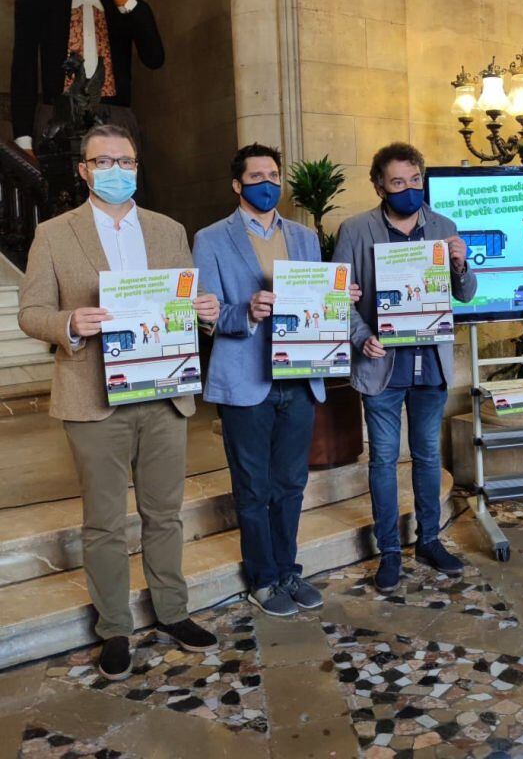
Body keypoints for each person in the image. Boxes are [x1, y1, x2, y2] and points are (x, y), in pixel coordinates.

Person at [18, 125, 219, 679]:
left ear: (137, 166)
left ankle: (173, 611)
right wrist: (68, 323)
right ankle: (113, 628)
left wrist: (207, 312)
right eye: (101, 161)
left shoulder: (168, 229)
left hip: (163, 390)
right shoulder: (54, 234)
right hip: (92, 395)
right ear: (83, 170)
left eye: (124, 160)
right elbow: (31, 311)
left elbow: (185, 302)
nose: (114, 169)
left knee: (164, 514)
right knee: (104, 522)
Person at [193, 143, 361, 615]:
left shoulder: (305, 237)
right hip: (246, 379)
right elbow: (206, 314)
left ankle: (288, 570)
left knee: (290, 483)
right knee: (253, 487)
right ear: (237, 184)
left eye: (273, 174)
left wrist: (339, 297)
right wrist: (244, 311)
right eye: (256, 176)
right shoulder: (210, 238)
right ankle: (263, 579)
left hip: (300, 376)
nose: (267, 183)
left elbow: (316, 299)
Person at [333, 142, 476, 593]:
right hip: (383, 367)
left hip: (429, 365)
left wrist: (460, 263)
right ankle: (390, 550)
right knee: (383, 460)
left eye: (415, 181)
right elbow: (337, 297)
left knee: (429, 455)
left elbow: (467, 293)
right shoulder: (355, 230)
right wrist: (361, 337)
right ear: (379, 185)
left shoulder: (443, 226)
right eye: (398, 183)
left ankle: (430, 541)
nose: (409, 190)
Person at [10, 0, 164, 155]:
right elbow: (23, 77)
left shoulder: (132, 7)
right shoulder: (33, 6)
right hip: (55, 121)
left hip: (116, 125)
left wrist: (127, 3)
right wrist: (23, 142)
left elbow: (154, 59)